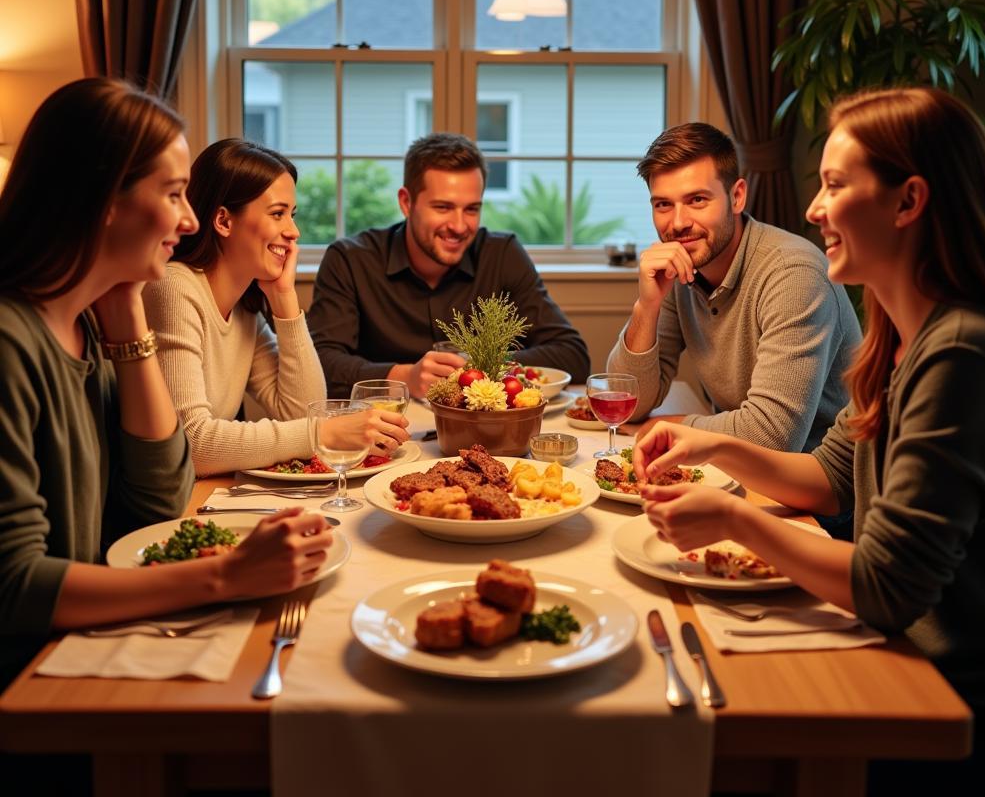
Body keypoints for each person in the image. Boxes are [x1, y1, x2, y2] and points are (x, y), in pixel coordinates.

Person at [633, 88, 985, 788]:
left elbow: (887, 588)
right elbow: (827, 476)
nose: (813, 208)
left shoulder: (963, 355)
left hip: (961, 706)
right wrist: (711, 448)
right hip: (903, 653)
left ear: (907, 203)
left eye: (835, 185)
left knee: (717, 755)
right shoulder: (902, 339)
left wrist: (731, 515)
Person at [0, 79, 334, 691]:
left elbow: (157, 500)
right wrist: (227, 576)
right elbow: (14, 587)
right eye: (174, 194)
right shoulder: (11, 343)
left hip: (80, 644)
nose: (187, 219)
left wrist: (127, 310)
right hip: (31, 685)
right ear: (104, 199)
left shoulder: (95, 328)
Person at [143, 139, 409, 476]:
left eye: (292, 215)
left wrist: (285, 299)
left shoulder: (244, 311)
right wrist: (320, 433)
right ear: (223, 221)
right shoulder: (174, 287)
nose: (294, 231)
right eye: (278, 214)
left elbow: (300, 412)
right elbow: (191, 444)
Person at [607, 122, 860, 453]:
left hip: (816, 491)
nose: (678, 223)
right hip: (737, 469)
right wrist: (647, 306)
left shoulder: (794, 275)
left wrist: (671, 426)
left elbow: (773, 434)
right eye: (663, 205)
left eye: (697, 200)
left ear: (737, 196)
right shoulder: (681, 269)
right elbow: (626, 403)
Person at [308, 132, 590, 399]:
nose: (458, 226)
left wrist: (481, 364)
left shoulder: (501, 254)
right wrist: (402, 377)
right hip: (386, 430)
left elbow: (572, 355)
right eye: (442, 207)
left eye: (471, 209)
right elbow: (319, 364)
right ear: (407, 203)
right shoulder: (350, 260)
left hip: (485, 429)